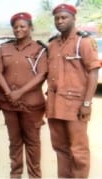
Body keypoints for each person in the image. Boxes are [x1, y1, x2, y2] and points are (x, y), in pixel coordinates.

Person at [46, 3, 100, 178]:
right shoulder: (52, 44)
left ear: (73, 19)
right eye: (57, 18)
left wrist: (86, 103)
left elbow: (93, 72)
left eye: (64, 17)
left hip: (75, 106)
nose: (60, 21)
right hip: (55, 106)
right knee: (60, 148)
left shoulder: (83, 42)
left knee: (78, 150)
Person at [0, 12, 47, 178]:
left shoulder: (40, 49)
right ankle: (15, 174)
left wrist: (19, 93)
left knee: (32, 142)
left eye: (23, 26)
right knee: (14, 142)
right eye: (15, 27)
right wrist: (8, 93)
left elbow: (41, 74)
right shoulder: (4, 48)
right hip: (9, 104)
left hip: (32, 104)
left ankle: (34, 175)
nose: (18, 29)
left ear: (30, 28)